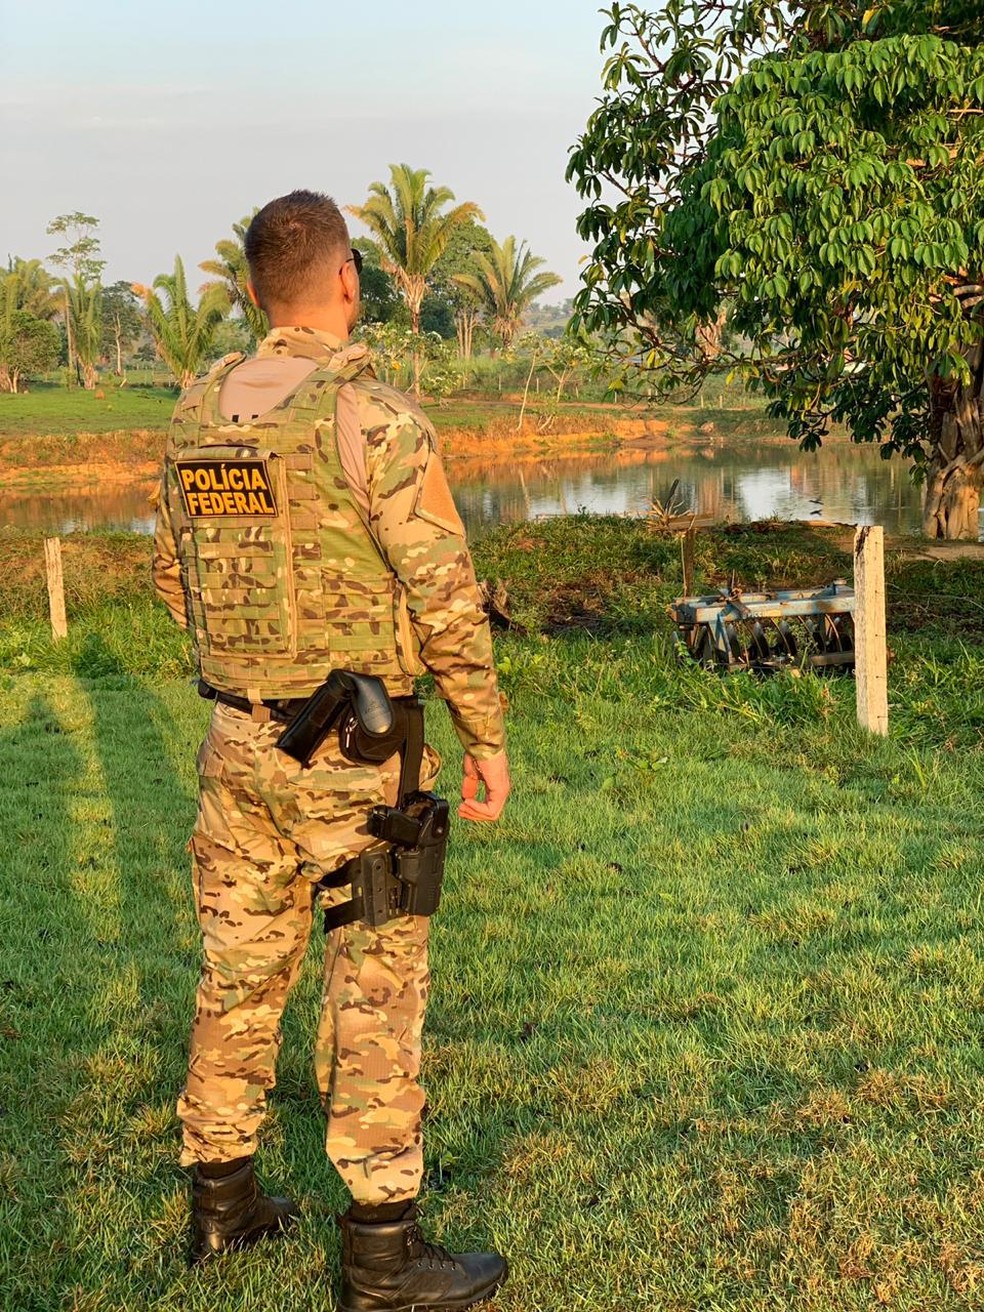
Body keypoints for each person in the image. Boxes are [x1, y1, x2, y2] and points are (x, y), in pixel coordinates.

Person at [152, 189, 511, 1312]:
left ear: (256, 289)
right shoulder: (376, 420)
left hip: (236, 741)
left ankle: (225, 1207)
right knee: (375, 989)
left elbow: (175, 581)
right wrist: (485, 737)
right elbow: (446, 599)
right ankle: (384, 1259)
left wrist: (253, 672)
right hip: (357, 760)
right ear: (347, 281)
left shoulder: (195, 410)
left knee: (238, 971)